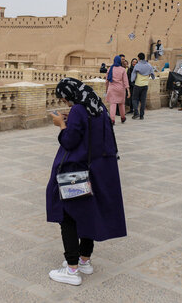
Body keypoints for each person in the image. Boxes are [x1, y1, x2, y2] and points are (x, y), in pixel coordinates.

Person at [47, 78, 127, 285]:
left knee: (68, 217)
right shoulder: (97, 107)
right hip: (97, 172)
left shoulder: (78, 111)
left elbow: (70, 140)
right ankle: (84, 260)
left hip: (76, 173)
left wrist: (61, 124)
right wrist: (70, 119)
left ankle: (72, 270)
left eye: (64, 98)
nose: (65, 103)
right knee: (87, 214)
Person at [105, 55, 130, 124]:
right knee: (121, 104)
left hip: (112, 88)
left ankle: (112, 119)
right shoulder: (122, 69)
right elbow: (125, 81)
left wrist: (106, 89)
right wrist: (128, 90)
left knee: (113, 104)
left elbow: (107, 80)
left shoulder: (110, 69)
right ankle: (123, 117)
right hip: (120, 89)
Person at [130, 52, 155, 119]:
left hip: (138, 84)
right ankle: (142, 115)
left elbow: (133, 75)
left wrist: (132, 80)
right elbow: (152, 74)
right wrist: (152, 77)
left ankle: (136, 112)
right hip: (145, 85)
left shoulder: (137, 65)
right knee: (143, 101)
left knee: (134, 99)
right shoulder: (149, 65)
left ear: (138, 58)